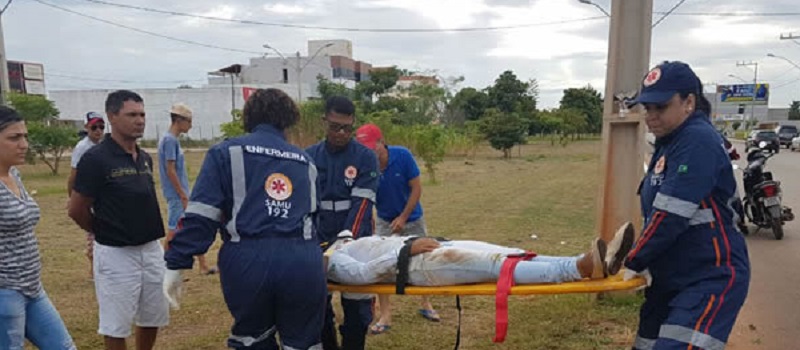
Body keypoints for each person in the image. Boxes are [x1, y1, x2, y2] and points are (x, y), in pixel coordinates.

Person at [163, 88, 326, 350]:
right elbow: (314, 217)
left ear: (248, 118)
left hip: (248, 259)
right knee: (303, 342)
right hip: (302, 260)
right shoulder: (306, 161)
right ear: (288, 119)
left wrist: (177, 261)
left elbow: (203, 214)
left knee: (253, 339)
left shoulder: (225, 152)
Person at [624, 61, 750, 350]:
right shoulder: (670, 142)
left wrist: (634, 260)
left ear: (689, 102)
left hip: (709, 277)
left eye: (661, 107)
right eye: (647, 108)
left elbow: (670, 215)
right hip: (672, 277)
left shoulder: (696, 140)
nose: (651, 117)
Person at [68, 90, 169, 350]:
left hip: (150, 249)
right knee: (116, 324)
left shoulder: (144, 158)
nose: (140, 120)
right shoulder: (96, 159)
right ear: (112, 117)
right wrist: (101, 231)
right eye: (132, 115)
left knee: (152, 315)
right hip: (116, 253)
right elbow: (76, 209)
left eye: (143, 114)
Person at [325, 222, 634, 287]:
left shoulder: (342, 239)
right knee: (495, 265)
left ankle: (595, 263)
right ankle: (578, 268)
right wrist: (406, 249)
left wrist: (412, 241)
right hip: (418, 266)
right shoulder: (330, 261)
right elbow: (362, 276)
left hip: (431, 247)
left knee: (513, 253)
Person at [305, 96, 379, 350]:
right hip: (318, 240)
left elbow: (362, 205)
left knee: (357, 311)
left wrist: (347, 241)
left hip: (356, 241)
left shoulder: (365, 158)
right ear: (324, 121)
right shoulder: (308, 157)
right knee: (318, 307)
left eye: (347, 128)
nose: (341, 133)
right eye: (335, 126)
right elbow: (306, 206)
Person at [0, 106, 76, 349]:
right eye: (14, 138)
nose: (24, 144)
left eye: (25, 136)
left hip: (32, 288)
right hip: (5, 292)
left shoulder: (14, 175)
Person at [354, 123, 438, 334]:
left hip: (412, 218)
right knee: (381, 267)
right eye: (364, 148)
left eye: (372, 147)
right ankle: (385, 315)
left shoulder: (403, 156)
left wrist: (403, 217)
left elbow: (416, 188)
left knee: (424, 259)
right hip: (384, 221)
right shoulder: (364, 164)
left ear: (382, 142)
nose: (369, 151)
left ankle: (426, 304)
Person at [158, 103, 215, 275]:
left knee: (192, 226)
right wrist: (182, 194)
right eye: (188, 121)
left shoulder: (172, 140)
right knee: (174, 230)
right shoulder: (169, 141)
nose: (190, 125)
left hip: (180, 192)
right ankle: (165, 266)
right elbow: (170, 170)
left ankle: (203, 265)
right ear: (179, 120)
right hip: (177, 194)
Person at [66, 111, 106, 279]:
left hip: (100, 195)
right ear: (86, 127)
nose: (98, 131)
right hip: (88, 196)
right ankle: (93, 269)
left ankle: (96, 268)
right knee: (93, 233)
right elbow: (73, 175)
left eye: (101, 127)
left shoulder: (102, 145)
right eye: (94, 127)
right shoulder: (82, 148)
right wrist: (73, 199)